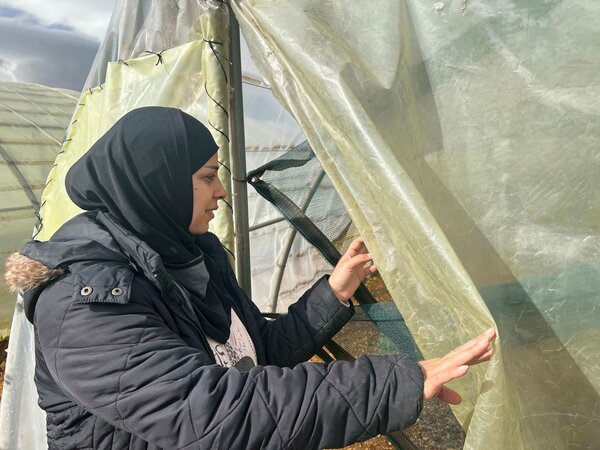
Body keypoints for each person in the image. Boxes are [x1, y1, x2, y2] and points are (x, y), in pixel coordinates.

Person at [4, 107, 495, 449]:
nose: (221, 192)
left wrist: (334, 291)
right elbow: (207, 412)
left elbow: (258, 354)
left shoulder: (191, 254)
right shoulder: (84, 298)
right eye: (206, 176)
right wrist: (396, 381)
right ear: (157, 182)